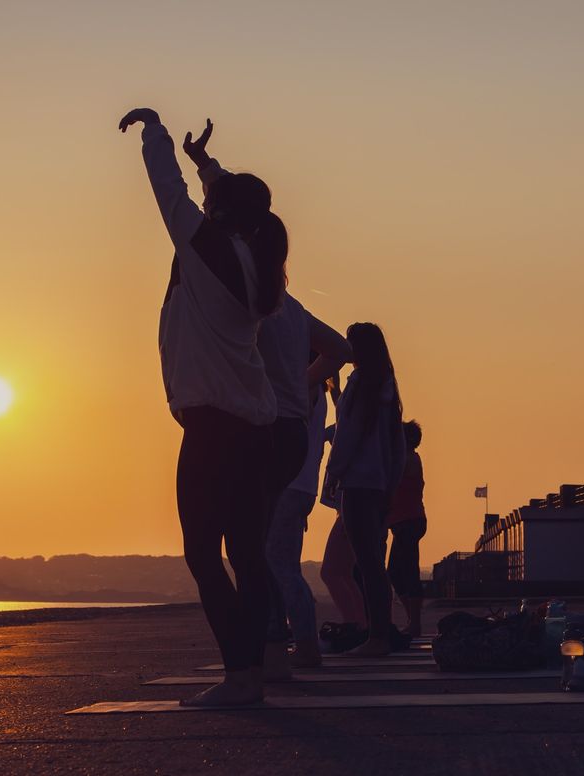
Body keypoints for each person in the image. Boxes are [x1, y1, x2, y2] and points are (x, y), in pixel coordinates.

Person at [120, 107, 287, 706]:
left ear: (217, 211)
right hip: (255, 433)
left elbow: (167, 193)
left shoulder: (204, 246)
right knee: (245, 553)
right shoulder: (257, 263)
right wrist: (208, 165)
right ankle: (254, 673)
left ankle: (240, 672)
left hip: (213, 431)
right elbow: (225, 203)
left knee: (202, 553)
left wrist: (156, 130)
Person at [177, 120, 352, 677]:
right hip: (288, 436)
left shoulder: (251, 300)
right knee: (259, 553)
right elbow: (342, 348)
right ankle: (273, 655)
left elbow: (222, 223)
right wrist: (207, 167)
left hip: (266, 432)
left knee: (258, 556)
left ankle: (268, 656)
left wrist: (296, 388)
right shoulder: (287, 303)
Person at [327, 323, 406, 655]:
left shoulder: (360, 384)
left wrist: (333, 472)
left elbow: (349, 432)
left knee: (367, 562)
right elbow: (395, 444)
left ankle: (377, 637)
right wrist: (391, 483)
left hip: (357, 483)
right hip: (378, 483)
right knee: (372, 561)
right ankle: (380, 633)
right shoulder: (386, 386)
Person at [318, 375, 368, 628]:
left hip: (350, 499)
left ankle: (355, 625)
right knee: (343, 572)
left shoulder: (353, 423)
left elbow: (343, 421)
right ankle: (359, 624)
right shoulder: (360, 417)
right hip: (354, 500)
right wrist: (335, 390)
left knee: (331, 572)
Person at [387, 420, 427, 637]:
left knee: (409, 571)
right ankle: (413, 619)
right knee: (394, 571)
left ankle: (415, 623)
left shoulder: (408, 459)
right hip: (404, 522)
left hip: (409, 521)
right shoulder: (406, 458)